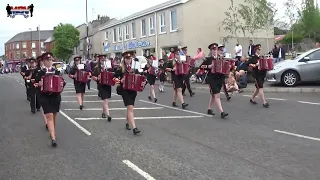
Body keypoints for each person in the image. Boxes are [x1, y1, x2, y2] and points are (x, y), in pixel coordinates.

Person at [34, 52, 66, 147]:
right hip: (44, 97)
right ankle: (53, 138)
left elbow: (62, 82)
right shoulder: (40, 72)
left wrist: (61, 84)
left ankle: (52, 131)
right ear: (43, 62)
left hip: (55, 96)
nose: (49, 62)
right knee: (49, 116)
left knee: (54, 115)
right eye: (47, 60)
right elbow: (35, 83)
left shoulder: (57, 71)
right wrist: (38, 84)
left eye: (51, 60)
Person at [113, 51, 146, 135]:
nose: (128, 60)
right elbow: (114, 78)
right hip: (124, 90)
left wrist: (143, 81)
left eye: (129, 58)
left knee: (130, 108)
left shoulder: (135, 65)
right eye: (127, 59)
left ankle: (127, 122)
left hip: (133, 90)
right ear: (124, 59)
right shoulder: (121, 68)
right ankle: (134, 128)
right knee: (130, 107)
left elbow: (140, 75)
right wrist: (120, 80)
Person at [200, 43, 228, 118]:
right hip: (212, 79)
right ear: (211, 51)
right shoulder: (208, 59)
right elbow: (201, 67)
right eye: (213, 49)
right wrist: (208, 66)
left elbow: (225, 66)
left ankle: (209, 109)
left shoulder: (221, 58)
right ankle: (222, 112)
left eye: (216, 49)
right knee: (217, 95)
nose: (215, 51)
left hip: (220, 78)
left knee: (213, 95)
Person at [92, 54, 112, 121]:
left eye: (104, 60)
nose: (103, 61)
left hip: (108, 85)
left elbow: (114, 74)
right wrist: (97, 78)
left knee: (105, 99)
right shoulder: (97, 67)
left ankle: (103, 112)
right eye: (102, 60)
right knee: (105, 99)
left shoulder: (109, 66)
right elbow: (93, 76)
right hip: (101, 85)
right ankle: (108, 115)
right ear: (99, 60)